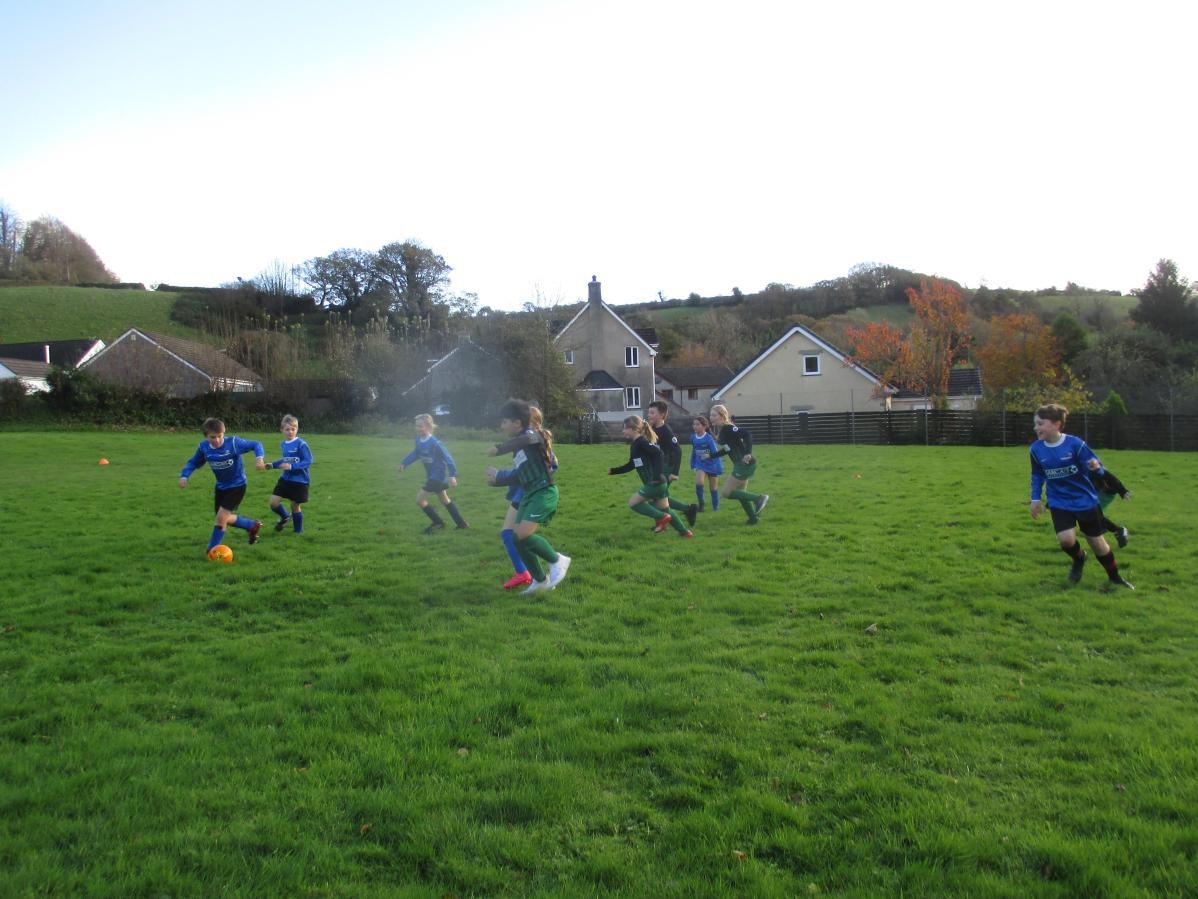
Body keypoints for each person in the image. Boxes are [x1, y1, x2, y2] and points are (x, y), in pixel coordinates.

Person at [1029, 403, 1133, 589]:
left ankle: (1115, 577)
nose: (1036, 427)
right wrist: (1035, 499)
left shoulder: (1075, 445)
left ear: (1056, 424)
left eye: (1040, 423)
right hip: (1059, 501)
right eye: (1035, 424)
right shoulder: (1036, 449)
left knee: (1098, 544)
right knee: (1066, 540)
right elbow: (1037, 475)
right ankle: (1079, 559)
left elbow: (1096, 466)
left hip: (1085, 501)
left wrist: (1097, 468)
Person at [487, 399, 571, 593]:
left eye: (504, 421)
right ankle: (540, 580)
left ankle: (558, 560)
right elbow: (519, 474)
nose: (501, 425)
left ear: (517, 423)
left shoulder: (531, 436)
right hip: (530, 494)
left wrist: (500, 448)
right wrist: (497, 479)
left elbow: (529, 439)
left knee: (523, 534)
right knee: (516, 538)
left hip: (544, 491)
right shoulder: (520, 447)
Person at [178, 417, 266, 555]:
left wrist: (259, 458)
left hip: (237, 485)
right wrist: (184, 476)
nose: (217, 440)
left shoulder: (234, 443)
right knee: (223, 518)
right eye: (213, 437)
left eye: (220, 436)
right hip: (221, 487)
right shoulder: (203, 447)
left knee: (220, 519)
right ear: (206, 436)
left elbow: (256, 444)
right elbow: (193, 462)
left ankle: (212, 551)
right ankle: (251, 525)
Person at [608, 414, 694, 538]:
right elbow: (632, 464)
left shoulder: (642, 442)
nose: (623, 430)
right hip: (659, 483)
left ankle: (662, 518)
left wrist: (656, 476)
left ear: (635, 429)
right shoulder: (636, 444)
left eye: (625, 428)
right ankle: (685, 533)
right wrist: (614, 471)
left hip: (655, 482)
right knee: (666, 509)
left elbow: (658, 453)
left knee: (633, 502)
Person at [398, 413, 469, 534]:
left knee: (420, 499)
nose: (418, 428)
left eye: (421, 426)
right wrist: (404, 463)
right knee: (444, 500)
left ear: (429, 427)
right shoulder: (418, 440)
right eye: (416, 426)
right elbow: (416, 453)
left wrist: (452, 475)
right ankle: (462, 524)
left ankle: (438, 523)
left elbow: (449, 458)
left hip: (437, 476)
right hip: (431, 475)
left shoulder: (436, 443)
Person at [709, 404, 768, 524]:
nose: (711, 417)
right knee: (741, 494)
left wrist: (748, 453)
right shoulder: (723, 430)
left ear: (722, 415)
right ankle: (753, 519)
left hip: (744, 464)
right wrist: (711, 456)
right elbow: (727, 448)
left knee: (726, 492)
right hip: (741, 465)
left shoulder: (728, 428)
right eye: (710, 415)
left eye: (714, 415)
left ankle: (759, 498)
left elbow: (747, 435)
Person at [645, 400, 699, 527]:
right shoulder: (651, 429)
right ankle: (688, 509)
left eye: (652, 413)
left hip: (667, 468)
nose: (649, 415)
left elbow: (678, 451)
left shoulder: (666, 431)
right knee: (659, 497)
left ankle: (664, 522)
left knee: (655, 498)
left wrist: (675, 472)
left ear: (662, 415)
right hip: (657, 467)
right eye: (649, 412)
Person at [267, 414, 312, 534]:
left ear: (297, 429)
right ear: (282, 430)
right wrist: (273, 465)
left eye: (293, 429)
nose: (290, 432)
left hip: (300, 481)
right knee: (273, 503)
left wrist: (292, 467)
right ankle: (285, 516)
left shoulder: (301, 444)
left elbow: (308, 461)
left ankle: (298, 532)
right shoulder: (283, 444)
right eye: (287, 429)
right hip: (285, 479)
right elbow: (286, 460)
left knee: (295, 505)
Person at [1088, 457, 1131, 548]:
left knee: (1092, 516)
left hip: (1106, 494)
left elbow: (1112, 478)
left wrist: (1123, 491)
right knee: (1092, 517)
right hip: (1096, 492)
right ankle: (1118, 531)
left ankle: (1118, 531)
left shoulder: (1094, 467)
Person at [690, 414, 723, 512]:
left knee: (713, 488)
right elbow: (694, 451)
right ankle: (701, 504)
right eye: (694, 424)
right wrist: (692, 463)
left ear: (704, 426)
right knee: (699, 483)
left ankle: (715, 508)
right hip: (700, 464)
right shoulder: (693, 437)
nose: (695, 426)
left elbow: (715, 453)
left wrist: (709, 456)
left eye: (698, 424)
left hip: (713, 464)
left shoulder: (709, 438)